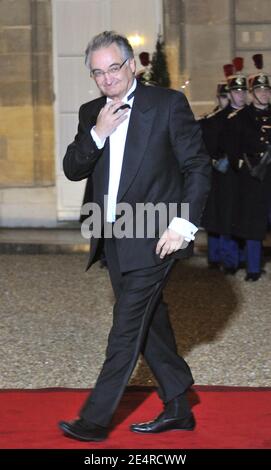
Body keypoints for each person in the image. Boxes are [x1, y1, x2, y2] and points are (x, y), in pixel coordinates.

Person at [59, 31, 210, 442]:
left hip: (156, 234)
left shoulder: (166, 104)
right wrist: (98, 134)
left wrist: (183, 225)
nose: (107, 80)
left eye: (113, 69)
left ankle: (94, 419)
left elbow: (197, 166)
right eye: (98, 73)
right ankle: (179, 404)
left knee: (125, 326)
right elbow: (73, 168)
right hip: (113, 237)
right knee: (149, 322)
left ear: (131, 65)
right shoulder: (93, 111)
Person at [200, 72, 248, 273]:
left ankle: (235, 258)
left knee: (234, 217)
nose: (226, 99)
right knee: (219, 218)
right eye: (223, 96)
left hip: (237, 175)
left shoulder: (237, 117)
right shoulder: (212, 120)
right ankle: (220, 257)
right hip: (219, 175)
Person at [227, 71, 271, 281]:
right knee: (254, 225)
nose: (264, 94)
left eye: (267, 89)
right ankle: (253, 268)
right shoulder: (241, 118)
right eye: (260, 90)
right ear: (252, 93)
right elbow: (233, 150)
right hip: (253, 179)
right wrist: (244, 168)